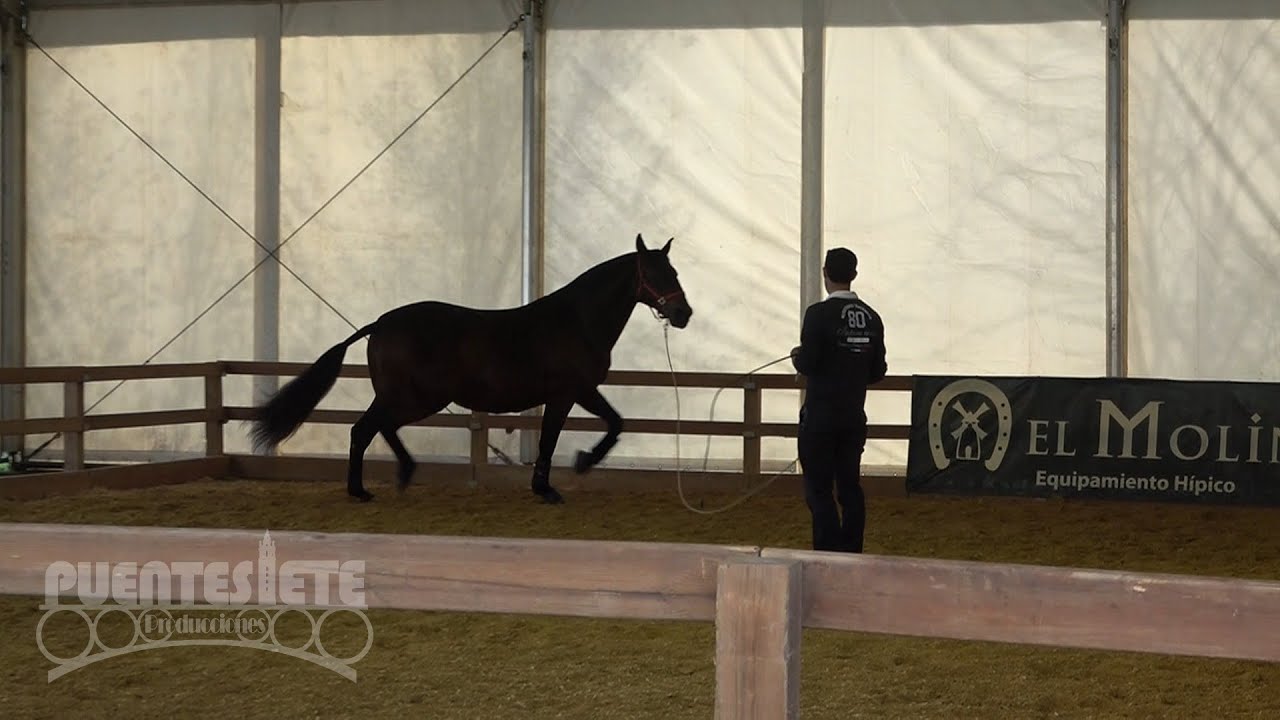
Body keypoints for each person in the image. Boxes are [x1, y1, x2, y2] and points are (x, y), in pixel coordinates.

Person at [790, 247, 887, 553]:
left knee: (819, 490)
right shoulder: (872, 318)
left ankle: (828, 550)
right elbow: (877, 370)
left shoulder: (818, 315)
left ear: (825, 274)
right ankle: (852, 549)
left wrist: (797, 357)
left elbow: (807, 363)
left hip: (820, 418)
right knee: (849, 487)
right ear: (854, 275)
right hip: (852, 417)